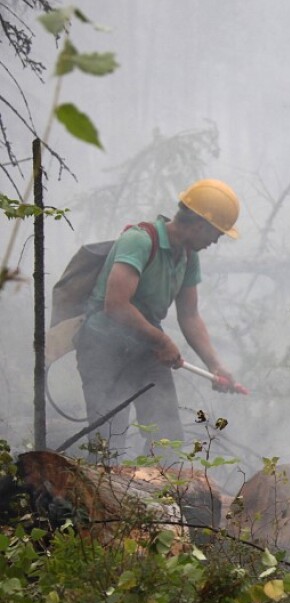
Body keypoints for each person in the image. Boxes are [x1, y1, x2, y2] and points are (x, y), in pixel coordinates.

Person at [75, 179, 241, 459]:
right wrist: (162, 340)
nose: (215, 241)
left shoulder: (188, 257)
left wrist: (215, 365)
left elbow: (189, 315)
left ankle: (161, 499)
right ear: (200, 223)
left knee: (166, 438)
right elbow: (116, 305)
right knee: (108, 440)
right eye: (217, 233)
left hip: (146, 350)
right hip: (102, 347)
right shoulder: (139, 240)